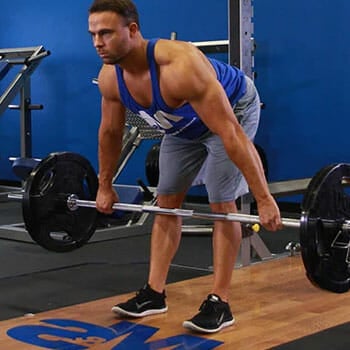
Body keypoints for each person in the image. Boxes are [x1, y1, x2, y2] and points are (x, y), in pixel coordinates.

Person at [88, 0, 282, 334]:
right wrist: (105, 185)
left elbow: (231, 134)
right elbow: (109, 133)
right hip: (181, 128)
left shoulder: (180, 66)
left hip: (233, 112)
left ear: (132, 31)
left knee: (222, 205)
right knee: (166, 204)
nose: (97, 42)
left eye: (105, 32)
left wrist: (263, 198)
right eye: (92, 33)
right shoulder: (110, 77)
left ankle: (219, 302)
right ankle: (154, 293)